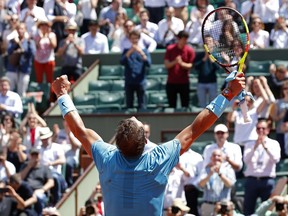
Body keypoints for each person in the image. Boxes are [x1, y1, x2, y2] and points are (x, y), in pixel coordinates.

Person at [51, 67, 245, 216]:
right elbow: (196, 128)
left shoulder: (107, 157)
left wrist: (62, 94)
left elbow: (79, 130)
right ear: (145, 140)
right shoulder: (158, 158)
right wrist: (228, 93)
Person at [243, 118, 281, 215]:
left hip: (267, 180)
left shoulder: (274, 143)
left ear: (268, 130)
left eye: (263, 128)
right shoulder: (249, 144)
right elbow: (246, 160)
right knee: (248, 209)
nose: (261, 131)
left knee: (268, 210)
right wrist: (255, 147)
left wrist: (265, 147)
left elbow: (276, 159)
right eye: (258, 128)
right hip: (252, 180)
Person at [198, 149, 236, 216]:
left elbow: (230, 185)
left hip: (223, 206)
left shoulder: (228, 170)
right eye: (214, 155)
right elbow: (201, 184)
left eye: (219, 156)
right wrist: (209, 174)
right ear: (211, 158)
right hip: (208, 205)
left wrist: (219, 174)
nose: (216, 158)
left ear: (223, 158)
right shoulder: (205, 170)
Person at [120, 29, 151, 110]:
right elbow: (122, 62)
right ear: (130, 39)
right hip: (129, 81)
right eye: (132, 38)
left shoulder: (144, 51)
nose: (134, 40)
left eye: (136, 38)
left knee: (142, 105)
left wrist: (141, 53)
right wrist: (129, 52)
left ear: (139, 39)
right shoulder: (126, 51)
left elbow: (149, 63)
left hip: (140, 81)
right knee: (129, 105)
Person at [164, 30, 195, 109]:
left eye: (186, 39)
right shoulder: (170, 49)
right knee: (171, 106)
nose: (185, 41)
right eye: (183, 39)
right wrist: (175, 62)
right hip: (171, 82)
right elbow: (167, 64)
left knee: (185, 105)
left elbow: (190, 65)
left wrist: (181, 63)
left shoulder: (189, 50)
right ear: (178, 39)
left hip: (184, 82)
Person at [19, 147, 54, 214]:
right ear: (30, 156)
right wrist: (29, 167)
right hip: (26, 192)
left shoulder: (44, 168)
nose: (35, 157)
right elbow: (19, 179)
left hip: (38, 191)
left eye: (36, 155)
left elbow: (51, 182)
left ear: (39, 156)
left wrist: (42, 189)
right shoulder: (25, 166)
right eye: (33, 156)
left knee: (39, 197)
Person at [6, 22, 36, 97]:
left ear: (25, 30)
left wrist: (28, 42)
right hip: (13, 69)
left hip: (24, 70)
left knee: (21, 92)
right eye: (18, 29)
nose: (20, 30)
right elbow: (9, 51)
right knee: (9, 91)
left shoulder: (29, 41)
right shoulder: (13, 41)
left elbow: (33, 53)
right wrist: (15, 44)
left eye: (22, 29)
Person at [193, 35, 219, 108]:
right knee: (202, 105)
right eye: (206, 42)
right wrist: (204, 58)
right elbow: (196, 67)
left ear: (213, 43)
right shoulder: (199, 55)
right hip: (201, 82)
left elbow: (218, 68)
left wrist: (210, 58)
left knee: (213, 105)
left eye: (210, 42)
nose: (208, 44)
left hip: (212, 82)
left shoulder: (216, 55)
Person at [179, 148, 203, 216]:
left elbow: (201, 174)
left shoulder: (196, 156)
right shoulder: (173, 154)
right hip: (175, 191)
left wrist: (193, 185)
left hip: (191, 192)